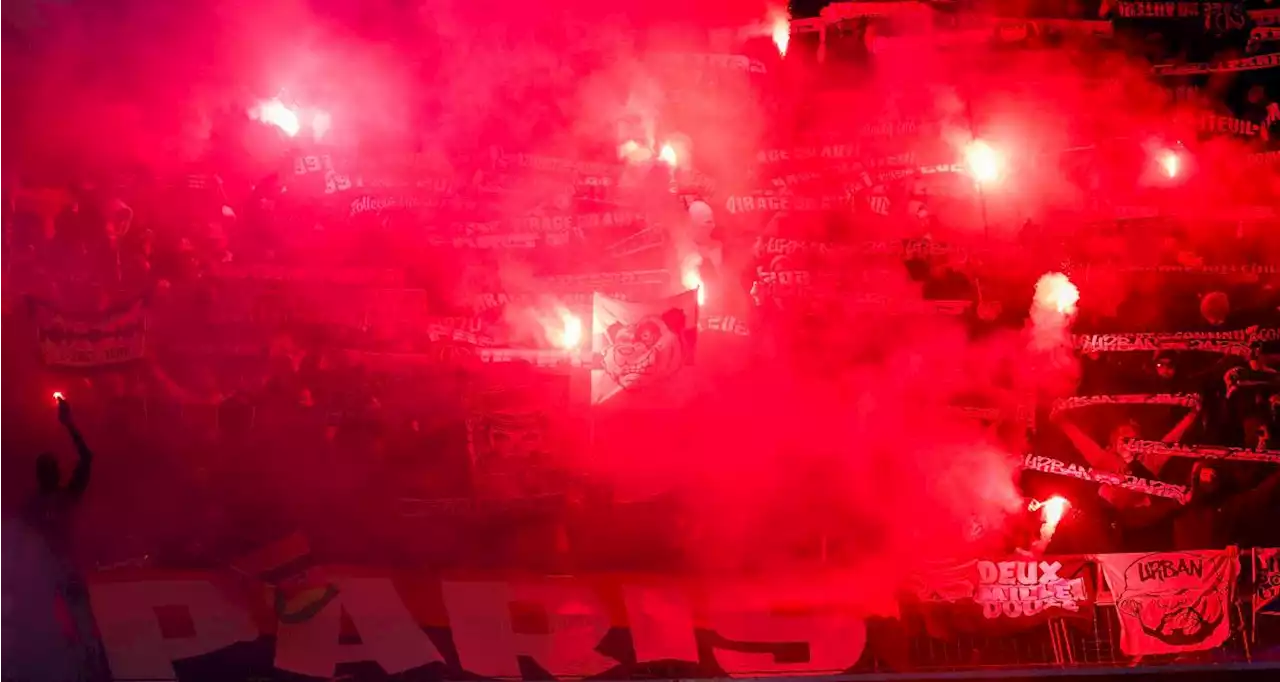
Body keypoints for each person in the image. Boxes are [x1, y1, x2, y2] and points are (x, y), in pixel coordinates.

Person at [18, 395, 104, 681]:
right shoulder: (58, 500)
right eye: (53, 467)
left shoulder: (34, 506)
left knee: (63, 632)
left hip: (52, 576)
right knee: (76, 632)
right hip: (57, 574)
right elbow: (87, 458)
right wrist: (69, 425)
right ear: (52, 473)